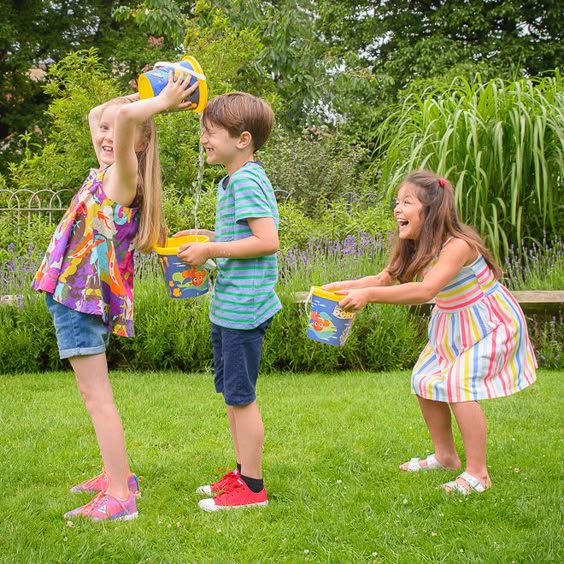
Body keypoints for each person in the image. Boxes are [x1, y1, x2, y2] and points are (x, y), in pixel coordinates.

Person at [32, 74, 197, 521]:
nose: (105, 134)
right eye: (103, 131)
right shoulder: (107, 169)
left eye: (115, 131)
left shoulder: (124, 177)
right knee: (95, 395)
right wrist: (134, 100)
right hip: (72, 295)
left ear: (139, 143)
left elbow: (123, 118)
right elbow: (97, 113)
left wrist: (157, 103)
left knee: (96, 398)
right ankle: (116, 474)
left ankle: (121, 496)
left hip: (81, 301)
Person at [324, 170, 537, 495]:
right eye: (397, 202)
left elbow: (426, 290)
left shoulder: (458, 246)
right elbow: (385, 279)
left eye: (406, 202)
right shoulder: (412, 245)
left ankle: (478, 474)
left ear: (432, 210)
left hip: (491, 322)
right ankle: (446, 456)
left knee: (457, 385)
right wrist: (342, 287)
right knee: (424, 379)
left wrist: (368, 297)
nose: (397, 209)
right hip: (452, 322)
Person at [175, 92, 280, 511]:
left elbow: (267, 241)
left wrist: (211, 250)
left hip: (245, 309)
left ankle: (252, 490)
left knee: (241, 396)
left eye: (210, 131)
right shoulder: (234, 179)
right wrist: (206, 244)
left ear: (243, 139)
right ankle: (240, 473)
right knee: (232, 396)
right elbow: (240, 237)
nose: (203, 139)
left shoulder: (246, 179)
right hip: (230, 306)